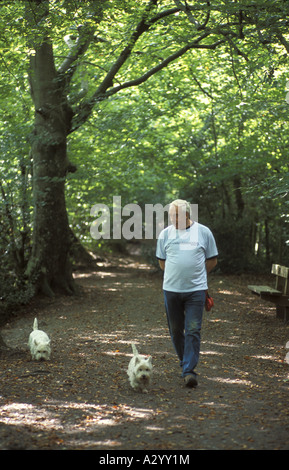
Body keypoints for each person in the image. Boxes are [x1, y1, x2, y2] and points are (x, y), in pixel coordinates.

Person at [156, 199, 218, 388]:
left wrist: (196, 276)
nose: (173, 219)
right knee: (176, 330)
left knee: (193, 329)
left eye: (177, 215)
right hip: (171, 291)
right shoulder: (165, 234)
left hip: (196, 292)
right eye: (171, 215)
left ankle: (189, 371)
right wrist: (177, 276)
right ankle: (185, 362)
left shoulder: (204, 232)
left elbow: (212, 260)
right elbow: (162, 262)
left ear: (187, 214)